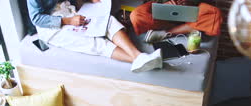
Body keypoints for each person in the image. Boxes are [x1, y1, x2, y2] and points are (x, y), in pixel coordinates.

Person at [27, 0, 162, 73]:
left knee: (107, 21)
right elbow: (36, 18)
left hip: (68, 10)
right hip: (51, 26)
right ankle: (139, 60)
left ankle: (139, 56)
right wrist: (67, 21)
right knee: (94, 43)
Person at [130, 0, 222, 43]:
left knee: (214, 13)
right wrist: (165, 2)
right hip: (162, 9)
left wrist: (188, 2)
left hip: (189, 11)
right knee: (137, 15)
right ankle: (188, 29)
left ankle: (166, 33)